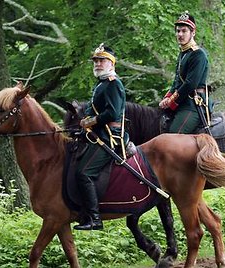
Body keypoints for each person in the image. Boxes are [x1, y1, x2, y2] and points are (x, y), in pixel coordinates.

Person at [74, 43, 127, 231]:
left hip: (109, 137)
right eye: (95, 60)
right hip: (99, 132)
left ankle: (95, 219)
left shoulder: (113, 83)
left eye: (102, 60)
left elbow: (112, 113)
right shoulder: (101, 84)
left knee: (84, 173)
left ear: (111, 64)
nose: (97, 63)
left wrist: (91, 121)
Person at [159, 11, 210, 134]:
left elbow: (190, 84)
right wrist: (167, 97)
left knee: (173, 137)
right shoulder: (183, 53)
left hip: (193, 104)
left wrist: (171, 100)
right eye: (178, 31)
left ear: (193, 33)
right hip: (182, 101)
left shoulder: (198, 54)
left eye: (184, 31)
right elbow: (177, 81)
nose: (180, 34)